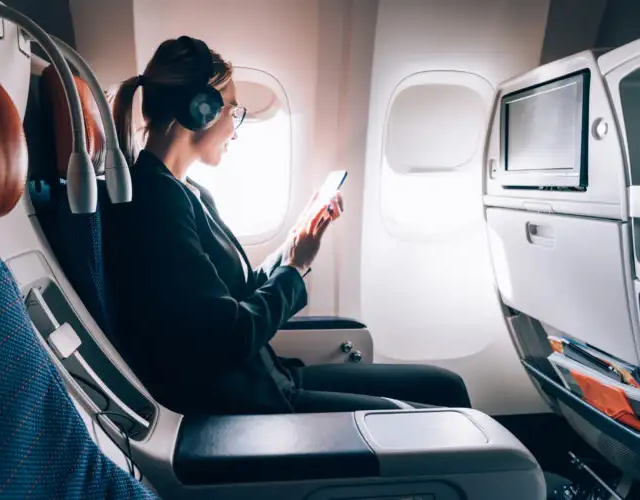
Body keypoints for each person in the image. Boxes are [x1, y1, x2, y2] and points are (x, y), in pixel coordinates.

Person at [104, 35, 471, 415]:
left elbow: (241, 291)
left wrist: (297, 243)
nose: (235, 127)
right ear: (202, 109)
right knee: (436, 412)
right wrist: (295, 269)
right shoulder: (156, 203)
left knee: (444, 387)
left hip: (266, 378)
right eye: (233, 109)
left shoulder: (186, 191)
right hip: (244, 400)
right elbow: (230, 335)